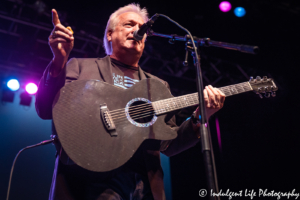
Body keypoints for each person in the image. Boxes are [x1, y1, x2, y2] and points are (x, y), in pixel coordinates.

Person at [35, 3, 225, 200]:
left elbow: (169, 144)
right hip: (89, 180)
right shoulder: (80, 67)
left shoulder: (158, 86)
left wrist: (201, 116)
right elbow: (45, 109)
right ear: (109, 34)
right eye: (129, 24)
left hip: (144, 185)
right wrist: (58, 63)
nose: (137, 30)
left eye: (141, 27)